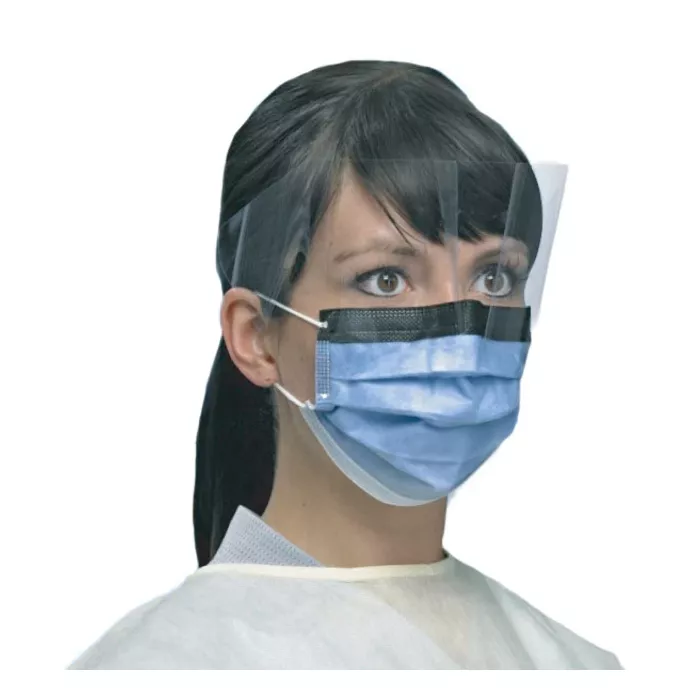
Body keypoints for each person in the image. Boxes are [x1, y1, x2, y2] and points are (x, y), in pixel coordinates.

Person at [69, 60, 622, 669]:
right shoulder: (158, 668)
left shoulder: (576, 667)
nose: (461, 333)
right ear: (256, 337)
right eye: (385, 279)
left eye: (494, 276)